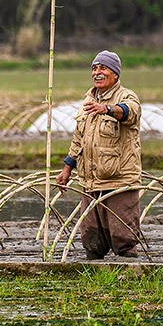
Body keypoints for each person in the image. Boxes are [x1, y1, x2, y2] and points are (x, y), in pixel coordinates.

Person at [56, 50, 143, 259]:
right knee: (91, 239)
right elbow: (79, 139)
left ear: (115, 74)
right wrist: (67, 168)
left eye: (103, 68)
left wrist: (107, 109)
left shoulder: (126, 96)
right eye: (94, 68)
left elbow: (130, 112)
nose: (97, 72)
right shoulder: (88, 99)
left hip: (119, 181)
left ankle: (128, 278)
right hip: (90, 181)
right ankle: (94, 282)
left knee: (123, 238)